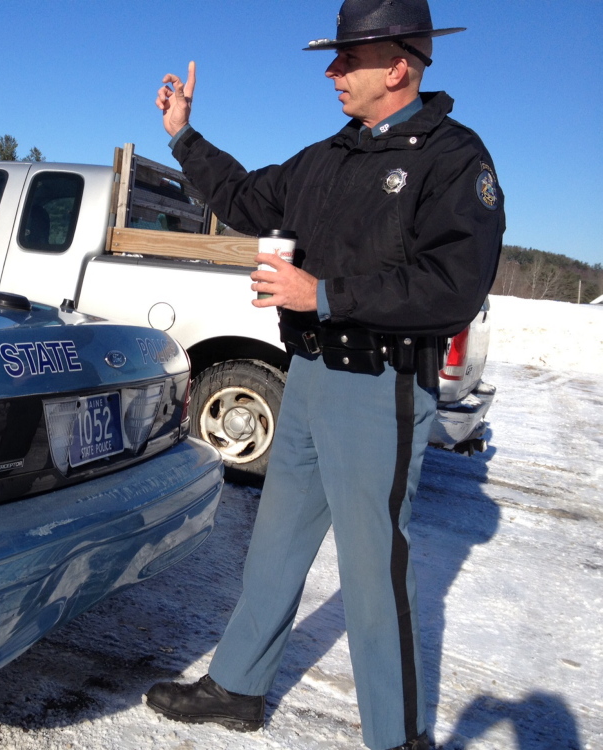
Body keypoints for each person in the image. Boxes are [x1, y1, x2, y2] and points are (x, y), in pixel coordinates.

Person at [144, 2, 505, 749]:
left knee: (376, 576)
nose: (333, 71)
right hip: (306, 377)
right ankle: (238, 686)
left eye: (348, 58)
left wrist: (327, 296)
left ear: (398, 66)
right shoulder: (327, 158)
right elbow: (246, 199)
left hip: (379, 390)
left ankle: (397, 737)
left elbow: (455, 285)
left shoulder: (453, 159)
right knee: (273, 545)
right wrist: (184, 135)